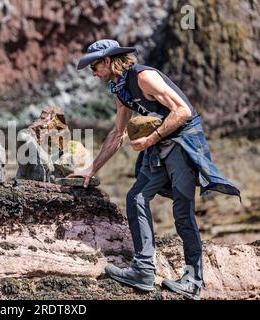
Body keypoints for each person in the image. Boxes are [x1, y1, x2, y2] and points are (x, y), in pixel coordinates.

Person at [68, 39, 240, 300]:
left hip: (182, 144)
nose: (93, 73)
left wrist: (150, 139)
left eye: (94, 67)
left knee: (182, 213)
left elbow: (182, 111)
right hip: (160, 147)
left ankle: (193, 281)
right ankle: (144, 270)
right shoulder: (120, 88)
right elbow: (118, 133)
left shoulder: (144, 77)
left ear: (107, 61)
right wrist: (91, 168)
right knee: (136, 197)